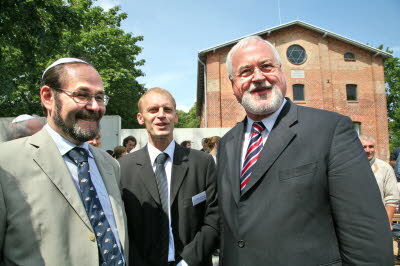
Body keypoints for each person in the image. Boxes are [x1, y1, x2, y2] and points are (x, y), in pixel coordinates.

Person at [217, 36, 393, 265]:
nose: (258, 77)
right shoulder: (227, 143)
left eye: (266, 66)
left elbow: (365, 233)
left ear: (281, 72)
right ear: (233, 85)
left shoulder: (330, 130)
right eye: (246, 71)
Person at [0, 58, 128, 265]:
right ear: (48, 97)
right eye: (82, 95)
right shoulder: (5, 163)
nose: (95, 106)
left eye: (100, 97)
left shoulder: (110, 165)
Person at [119, 87, 218, 266]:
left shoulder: (202, 163)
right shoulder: (123, 168)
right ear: (141, 118)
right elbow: (122, 226)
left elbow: (215, 217)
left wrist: (188, 262)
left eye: (168, 109)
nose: (161, 115)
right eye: (153, 110)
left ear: (176, 116)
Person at [359, 135, 400, 227]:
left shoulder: (385, 168)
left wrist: (387, 223)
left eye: (371, 146)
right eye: (364, 147)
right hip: (355, 222)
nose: (368, 150)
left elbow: (392, 198)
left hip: (378, 221)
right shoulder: (348, 168)